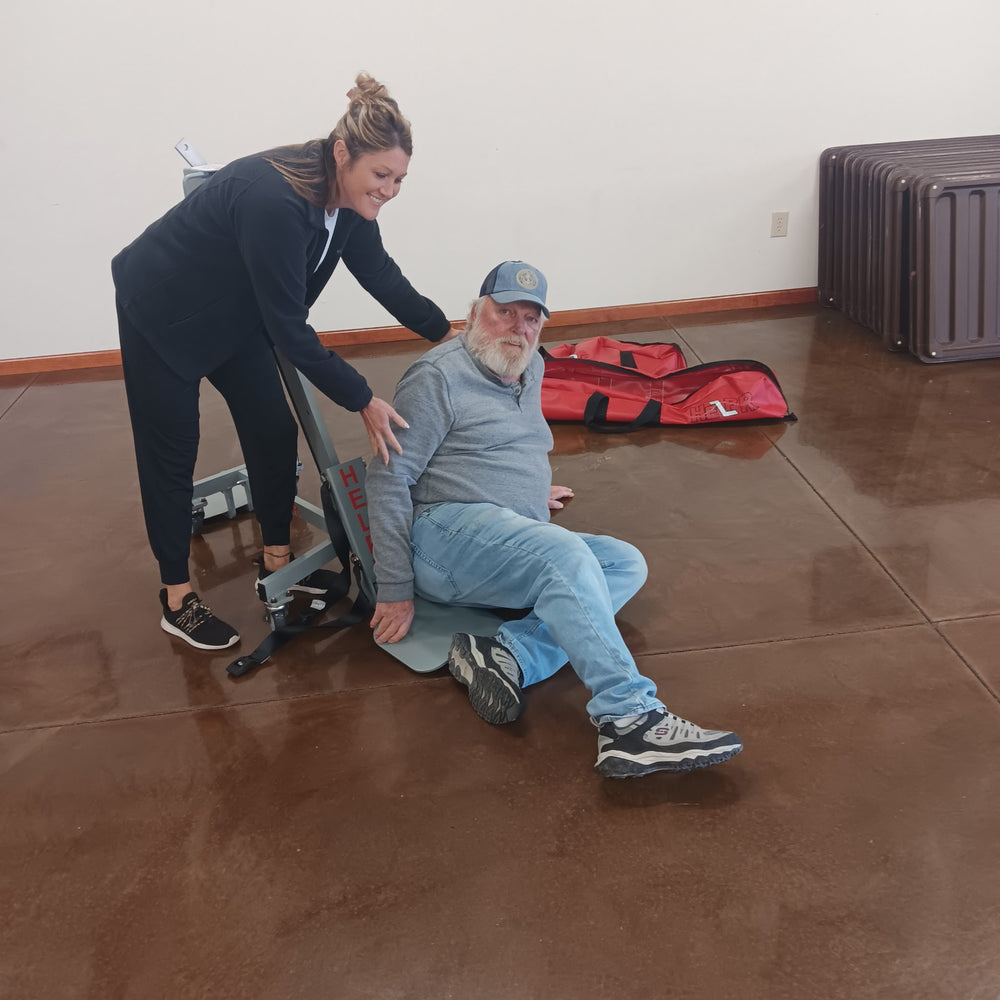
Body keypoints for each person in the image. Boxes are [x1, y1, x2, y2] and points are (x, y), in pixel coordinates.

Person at [112, 73, 454, 652]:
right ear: (342, 154)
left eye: (399, 179)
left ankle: (276, 560)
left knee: (272, 428)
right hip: (162, 311)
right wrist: (362, 399)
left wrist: (448, 336)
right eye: (381, 175)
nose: (390, 190)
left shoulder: (350, 204)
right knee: (172, 453)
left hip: (236, 311)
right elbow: (290, 330)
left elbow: (381, 276)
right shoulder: (276, 201)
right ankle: (176, 597)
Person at [365, 261, 743, 778]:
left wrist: (526, 490)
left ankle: (507, 655)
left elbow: (506, 442)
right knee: (565, 556)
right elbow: (388, 480)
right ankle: (630, 719)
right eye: (504, 313)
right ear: (475, 313)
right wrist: (394, 587)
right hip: (440, 537)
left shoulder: (529, 365)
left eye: (531, 318)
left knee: (624, 563)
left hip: (501, 528)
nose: (517, 328)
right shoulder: (437, 378)